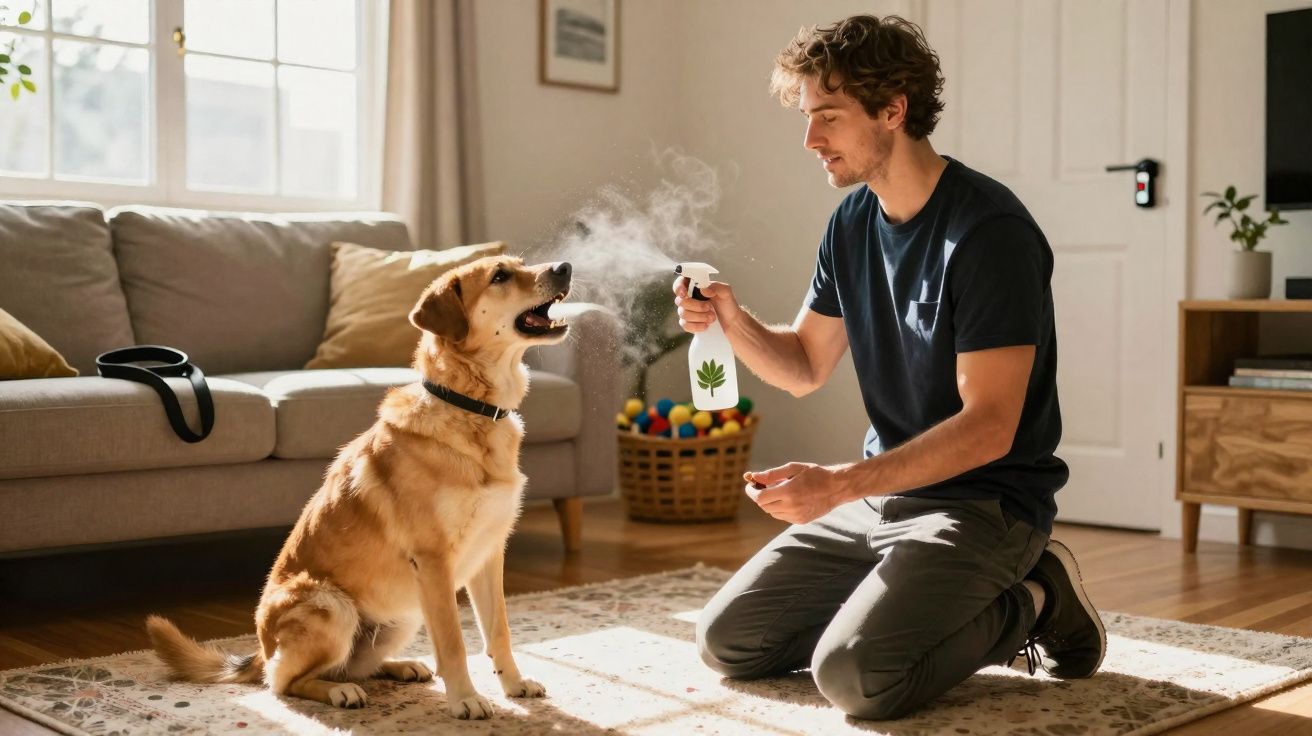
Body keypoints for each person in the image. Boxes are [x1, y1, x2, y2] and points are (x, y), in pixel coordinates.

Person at [673, 14, 1105, 721]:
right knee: (728, 641)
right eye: (808, 118)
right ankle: (897, 605)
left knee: (856, 677)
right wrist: (731, 318)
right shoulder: (852, 224)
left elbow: (990, 427)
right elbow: (805, 365)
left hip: (985, 506)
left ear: (893, 110)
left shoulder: (989, 233)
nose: (811, 140)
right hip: (885, 499)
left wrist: (838, 484)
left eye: (828, 117)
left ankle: (1038, 597)